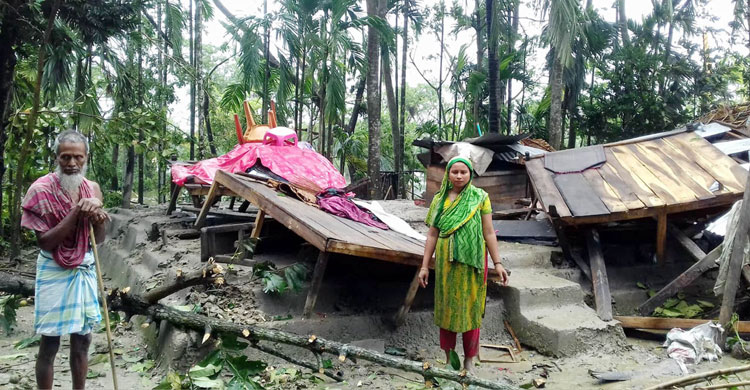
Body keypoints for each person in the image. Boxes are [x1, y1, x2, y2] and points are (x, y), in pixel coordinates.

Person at [21, 130, 109, 390]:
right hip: (53, 268)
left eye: (78, 158)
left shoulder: (92, 189)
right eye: (66, 157)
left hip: (84, 266)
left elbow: (99, 238)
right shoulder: (39, 190)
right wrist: (75, 213)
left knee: (83, 340)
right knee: (50, 342)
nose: (72, 164)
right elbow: (45, 242)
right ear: (57, 158)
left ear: (86, 158)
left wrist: (97, 217)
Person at [418, 156, 509, 372]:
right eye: (454, 172)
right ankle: (450, 359)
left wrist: (498, 263)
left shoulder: (480, 197)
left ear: (470, 175)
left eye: (463, 172)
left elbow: (488, 232)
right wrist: (424, 266)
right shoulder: (439, 200)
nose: (459, 176)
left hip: (473, 264)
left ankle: (469, 358)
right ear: (448, 174)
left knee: (471, 309)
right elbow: (432, 234)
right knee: (447, 309)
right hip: (446, 264)